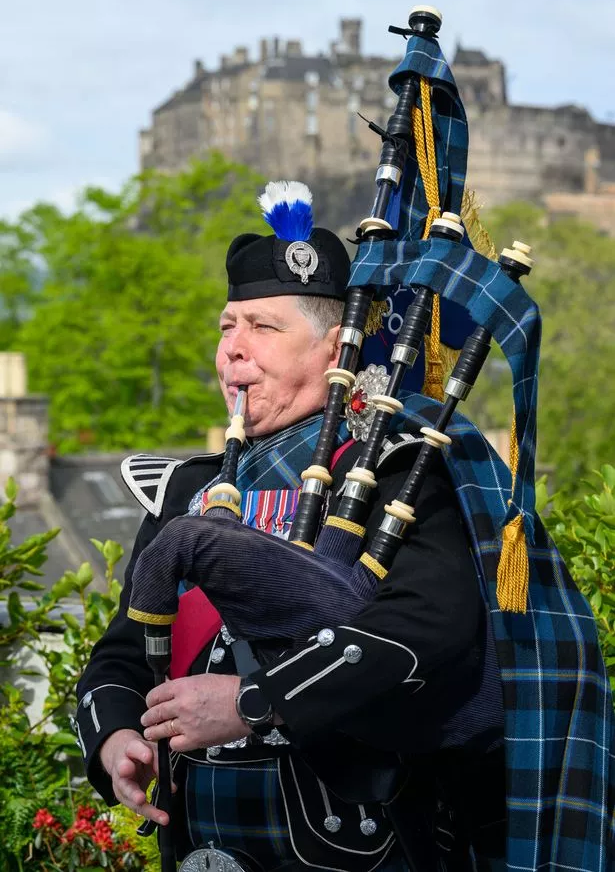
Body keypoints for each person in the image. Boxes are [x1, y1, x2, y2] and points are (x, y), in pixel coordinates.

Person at [74, 182, 506, 871]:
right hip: (199, 840)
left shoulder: (394, 469)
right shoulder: (185, 489)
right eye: (226, 327)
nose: (233, 350)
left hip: (356, 837)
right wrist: (115, 735)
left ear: (336, 350)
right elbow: (124, 649)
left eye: (263, 328)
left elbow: (429, 627)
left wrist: (255, 701)